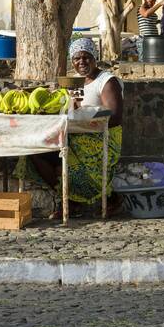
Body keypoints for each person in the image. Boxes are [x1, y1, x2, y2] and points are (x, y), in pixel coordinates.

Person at [19, 37, 125, 217]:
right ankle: (69, 199)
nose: (81, 62)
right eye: (77, 58)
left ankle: (103, 197)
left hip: (101, 138)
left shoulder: (107, 81)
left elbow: (114, 117)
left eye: (86, 57)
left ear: (95, 57)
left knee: (68, 155)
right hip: (74, 134)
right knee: (36, 152)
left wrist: (86, 114)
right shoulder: (74, 82)